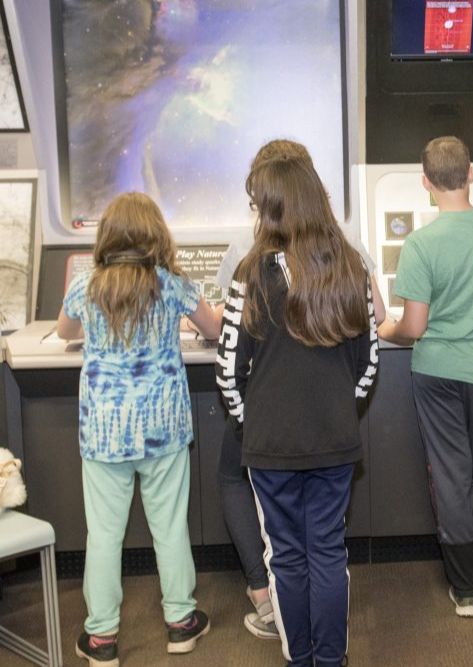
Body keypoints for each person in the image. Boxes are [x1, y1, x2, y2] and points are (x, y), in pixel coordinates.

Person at [211, 140, 385, 641]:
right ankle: (329, 657)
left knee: (285, 555)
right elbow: (368, 360)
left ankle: (301, 654)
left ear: (271, 205)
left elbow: (228, 368)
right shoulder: (350, 263)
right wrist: (338, 407)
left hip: (271, 446)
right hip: (333, 438)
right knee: (328, 551)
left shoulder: (250, 272)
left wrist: (252, 419)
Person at [58, 192, 221, 667]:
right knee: (168, 527)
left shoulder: (87, 285)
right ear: (156, 235)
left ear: (107, 235)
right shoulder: (170, 284)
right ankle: (181, 623)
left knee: (103, 535)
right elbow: (212, 327)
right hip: (162, 429)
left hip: (105, 434)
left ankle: (102, 638)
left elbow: (66, 332)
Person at [377, 136, 473, 617]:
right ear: (472, 174)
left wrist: (383, 328)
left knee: (451, 476)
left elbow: (413, 327)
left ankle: (467, 592)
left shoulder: (419, 244)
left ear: (425, 183)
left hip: (436, 372)